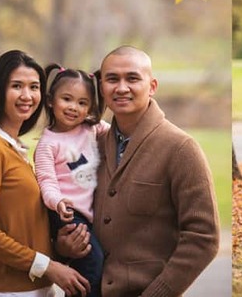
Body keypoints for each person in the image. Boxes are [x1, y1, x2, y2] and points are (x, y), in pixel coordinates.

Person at [57, 45, 220, 296]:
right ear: (101, 87)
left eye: (132, 78)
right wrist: (63, 247)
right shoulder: (90, 146)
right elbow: (69, 213)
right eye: (112, 79)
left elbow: (203, 237)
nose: (121, 88)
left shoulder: (181, 149)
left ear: (152, 86)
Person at [0, 49, 91, 297]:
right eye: (17, 86)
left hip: (38, 288)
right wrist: (49, 267)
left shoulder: (17, 148)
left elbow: (24, 227)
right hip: (10, 291)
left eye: (34, 87)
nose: (27, 95)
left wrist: (60, 249)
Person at [34, 65, 110, 297]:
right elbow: (46, 181)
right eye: (67, 99)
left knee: (96, 263)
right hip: (66, 212)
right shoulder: (48, 144)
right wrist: (57, 202)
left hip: (89, 213)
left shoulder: (92, 128)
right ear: (50, 100)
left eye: (82, 103)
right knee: (92, 263)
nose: (73, 108)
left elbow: (120, 132)